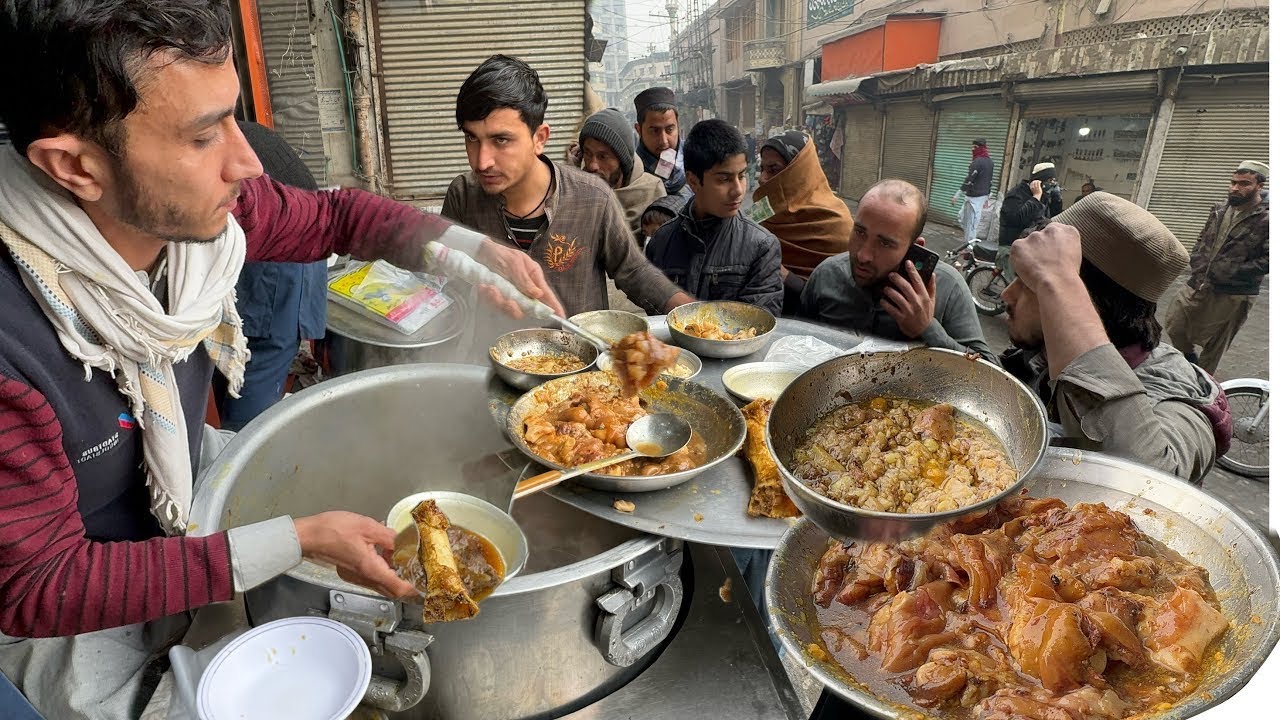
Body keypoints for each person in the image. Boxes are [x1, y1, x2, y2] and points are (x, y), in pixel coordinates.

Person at [0, 3, 563, 717]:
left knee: (356, 481)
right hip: (71, 604)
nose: (247, 162)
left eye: (234, 118)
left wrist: (470, 250)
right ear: (75, 166)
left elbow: (337, 216)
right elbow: (38, 587)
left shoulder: (201, 215)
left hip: (174, 474)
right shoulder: (14, 343)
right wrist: (293, 541)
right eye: (203, 135)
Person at [1002, 193, 1232, 483]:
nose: (1006, 295)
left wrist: (1059, 281)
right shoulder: (1045, 353)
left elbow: (1149, 485)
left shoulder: (1179, 399)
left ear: (1087, 302)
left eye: (1030, 285)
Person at [441, 56, 693, 318]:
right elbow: (444, 276)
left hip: (576, 343)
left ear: (540, 138)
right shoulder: (463, 196)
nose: (481, 162)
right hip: (490, 344)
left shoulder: (592, 197)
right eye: (472, 138)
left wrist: (690, 313)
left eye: (501, 140)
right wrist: (473, 295)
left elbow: (633, 270)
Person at [212, 120, 327, 431]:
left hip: (283, 248)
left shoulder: (208, 146)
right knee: (225, 352)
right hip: (271, 237)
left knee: (255, 368)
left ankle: (243, 448)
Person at [801, 180, 995, 361]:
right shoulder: (827, 275)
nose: (863, 255)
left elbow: (990, 373)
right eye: (860, 232)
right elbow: (795, 342)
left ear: (914, 247)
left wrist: (927, 329)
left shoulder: (948, 288)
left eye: (885, 243)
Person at [644, 119, 783, 316]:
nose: (738, 190)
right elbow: (653, 309)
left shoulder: (761, 246)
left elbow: (759, 322)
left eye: (741, 176)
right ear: (693, 181)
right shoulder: (661, 242)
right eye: (724, 179)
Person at [1164, 160, 1269, 375]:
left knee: (1215, 346)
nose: (1235, 188)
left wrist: (1233, 271)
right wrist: (1197, 260)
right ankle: (1189, 358)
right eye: (1233, 182)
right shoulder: (1219, 210)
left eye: (1244, 184)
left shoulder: (1267, 218)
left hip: (1235, 292)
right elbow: (1203, 238)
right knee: (1174, 323)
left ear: (1260, 186)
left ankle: (1202, 385)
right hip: (1200, 280)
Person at [752, 130, 851, 315]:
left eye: (773, 169)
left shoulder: (835, 221)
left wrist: (785, 275)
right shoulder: (763, 209)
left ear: (798, 172)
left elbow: (842, 297)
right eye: (762, 169)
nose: (762, 178)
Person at [570, 108, 666, 245]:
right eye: (588, 153)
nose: (592, 165)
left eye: (603, 156)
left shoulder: (652, 193)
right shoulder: (575, 193)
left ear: (622, 161)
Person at [997, 161, 1058, 279]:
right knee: (1016, 284)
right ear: (1039, 181)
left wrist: (1056, 200)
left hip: (1031, 246)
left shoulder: (1044, 196)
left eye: (1054, 181)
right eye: (1050, 180)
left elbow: (1048, 218)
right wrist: (1036, 197)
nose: (1052, 184)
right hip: (1011, 245)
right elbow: (1017, 219)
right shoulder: (1016, 194)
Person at [633, 86, 687, 195]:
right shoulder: (632, 174)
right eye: (654, 131)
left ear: (678, 125)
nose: (664, 141)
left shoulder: (697, 160)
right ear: (639, 130)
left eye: (669, 129)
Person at [951, 138, 993, 243]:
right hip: (981, 196)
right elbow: (990, 180)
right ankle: (970, 243)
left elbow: (969, 179)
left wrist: (957, 195)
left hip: (974, 198)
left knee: (970, 223)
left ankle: (969, 246)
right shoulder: (990, 162)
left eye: (975, 147)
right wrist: (987, 196)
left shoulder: (977, 162)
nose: (972, 149)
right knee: (967, 220)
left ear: (981, 148)